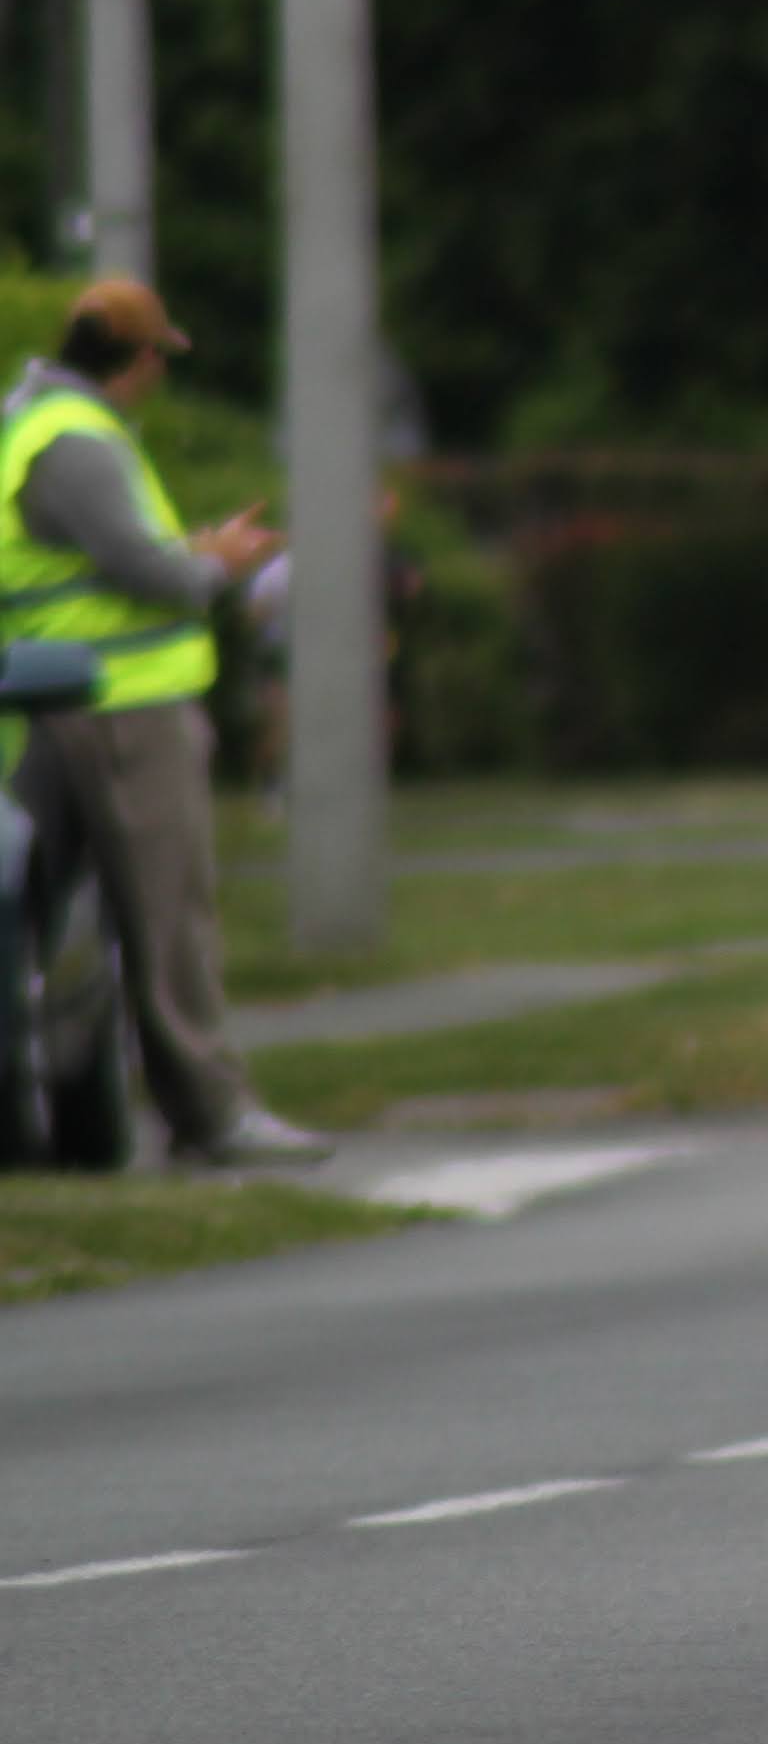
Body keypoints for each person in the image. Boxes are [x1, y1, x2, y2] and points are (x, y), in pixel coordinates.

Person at [0, 278, 318, 1165]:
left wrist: (194, 555)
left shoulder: (31, 424)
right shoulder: (79, 442)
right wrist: (213, 561)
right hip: (120, 710)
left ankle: (135, 1112)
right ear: (142, 360)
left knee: (54, 931)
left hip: (56, 696)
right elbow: (153, 578)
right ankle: (211, 1114)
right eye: (158, 361)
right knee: (167, 918)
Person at [246, 485, 423, 816]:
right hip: (284, 654)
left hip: (327, 655)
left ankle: (340, 789)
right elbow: (257, 614)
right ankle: (273, 790)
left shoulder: (338, 566)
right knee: (280, 725)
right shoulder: (278, 571)